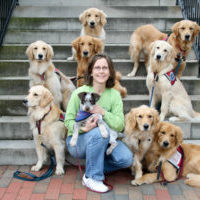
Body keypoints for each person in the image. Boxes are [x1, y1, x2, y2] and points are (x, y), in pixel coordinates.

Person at [64, 53, 133, 193]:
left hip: (107, 139)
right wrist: (84, 129)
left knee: (126, 159)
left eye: (105, 68)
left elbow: (120, 125)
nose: (101, 71)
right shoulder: (80, 92)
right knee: (99, 132)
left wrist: (104, 113)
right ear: (91, 71)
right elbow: (68, 121)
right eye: (97, 68)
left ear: (110, 71)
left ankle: (94, 165)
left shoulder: (114, 95)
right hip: (78, 141)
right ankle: (92, 177)